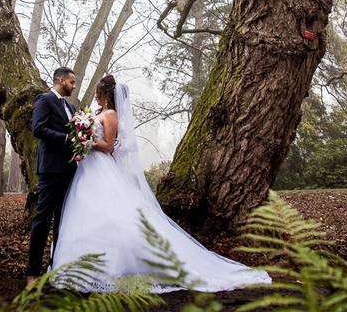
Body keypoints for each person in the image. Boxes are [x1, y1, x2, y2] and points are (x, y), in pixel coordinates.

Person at [50, 74, 271, 292]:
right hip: (88, 168)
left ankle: (122, 264)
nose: (96, 97)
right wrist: (82, 137)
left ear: (105, 94)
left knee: (112, 215)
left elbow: (108, 146)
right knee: (88, 213)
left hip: (101, 166)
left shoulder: (111, 115)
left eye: (98, 93)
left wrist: (87, 140)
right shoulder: (98, 113)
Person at [25, 66, 78, 283]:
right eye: (71, 82)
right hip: (50, 170)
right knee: (42, 220)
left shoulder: (71, 107)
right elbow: (38, 128)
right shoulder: (44, 100)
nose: (73, 86)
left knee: (62, 221)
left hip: (70, 170)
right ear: (60, 80)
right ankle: (32, 272)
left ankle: (54, 267)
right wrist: (66, 139)